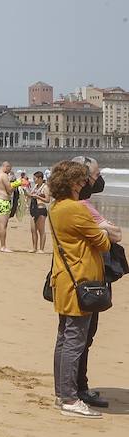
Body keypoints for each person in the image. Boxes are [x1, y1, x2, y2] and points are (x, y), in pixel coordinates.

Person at [47, 160, 115, 418]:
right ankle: (69, 398)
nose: (84, 185)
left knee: (65, 339)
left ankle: (62, 393)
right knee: (75, 340)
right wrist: (105, 229)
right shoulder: (75, 209)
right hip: (79, 281)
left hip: (64, 280)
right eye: (81, 181)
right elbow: (104, 242)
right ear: (74, 184)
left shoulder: (56, 207)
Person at [70, 156, 120, 409]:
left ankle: (72, 387)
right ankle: (76, 389)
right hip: (87, 276)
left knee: (76, 336)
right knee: (80, 336)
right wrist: (108, 230)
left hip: (80, 273)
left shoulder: (74, 203)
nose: (98, 180)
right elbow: (112, 234)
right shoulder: (79, 206)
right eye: (94, 176)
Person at [29, 170, 50, 253]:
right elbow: (32, 195)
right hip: (33, 209)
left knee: (41, 230)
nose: (34, 180)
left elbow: (48, 200)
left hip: (41, 209)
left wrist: (38, 196)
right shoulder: (35, 186)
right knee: (33, 229)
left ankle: (41, 249)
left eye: (35, 178)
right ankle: (34, 247)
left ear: (40, 178)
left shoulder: (45, 187)